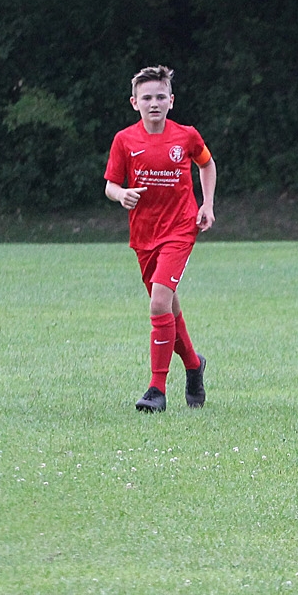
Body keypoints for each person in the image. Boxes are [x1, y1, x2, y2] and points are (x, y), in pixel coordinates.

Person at [103, 65, 215, 412]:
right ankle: (194, 365)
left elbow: (207, 165)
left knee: (157, 304)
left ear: (171, 100)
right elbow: (110, 185)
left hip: (180, 229)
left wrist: (207, 205)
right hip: (144, 234)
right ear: (135, 102)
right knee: (168, 306)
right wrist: (121, 195)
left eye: (160, 97)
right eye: (147, 97)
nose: (154, 103)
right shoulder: (125, 140)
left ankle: (156, 389)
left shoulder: (186, 136)